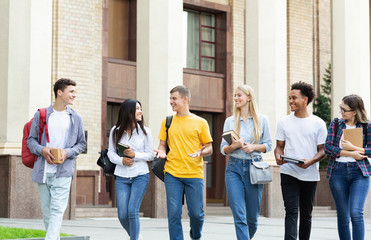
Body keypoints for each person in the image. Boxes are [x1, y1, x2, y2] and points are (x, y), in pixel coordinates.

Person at [27, 78, 86, 240]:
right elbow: (31, 141)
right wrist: (43, 149)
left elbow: (81, 144)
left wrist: (67, 152)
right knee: (48, 213)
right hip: (43, 170)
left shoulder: (75, 118)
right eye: (71, 91)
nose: (74, 95)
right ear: (60, 93)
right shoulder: (42, 115)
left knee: (57, 210)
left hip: (64, 171)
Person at [155, 85, 213, 240]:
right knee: (173, 214)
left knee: (197, 214)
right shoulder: (167, 121)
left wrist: (201, 151)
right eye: (170, 99)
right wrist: (161, 151)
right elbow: (162, 144)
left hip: (194, 174)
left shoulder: (200, 122)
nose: (171, 102)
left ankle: (195, 235)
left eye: (174, 98)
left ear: (185, 99)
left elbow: (209, 147)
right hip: (172, 174)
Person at [274, 81, 327, 240]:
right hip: (289, 172)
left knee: (306, 214)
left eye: (294, 98)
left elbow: (323, 149)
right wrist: (278, 156)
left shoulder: (318, 123)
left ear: (305, 99)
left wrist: (310, 161)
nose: (290, 101)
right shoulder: (283, 122)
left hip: (310, 174)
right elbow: (279, 146)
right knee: (291, 211)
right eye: (289, 98)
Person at [220, 85, 272, 240]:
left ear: (249, 97)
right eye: (235, 95)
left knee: (253, 218)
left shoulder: (262, 120)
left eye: (239, 95)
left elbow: (268, 145)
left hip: (254, 167)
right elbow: (223, 149)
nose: (236, 98)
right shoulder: (230, 121)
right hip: (233, 168)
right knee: (239, 214)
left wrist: (253, 147)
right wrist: (234, 146)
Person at [324, 94, 371, 240]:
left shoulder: (366, 126)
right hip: (338, 172)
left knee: (356, 212)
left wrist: (356, 149)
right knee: (343, 215)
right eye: (341, 108)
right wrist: (349, 153)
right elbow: (327, 147)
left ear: (354, 111)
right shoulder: (336, 124)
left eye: (344, 109)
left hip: (359, 173)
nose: (341, 112)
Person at [107, 99, 153, 240]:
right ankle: (136, 235)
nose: (140, 111)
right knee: (122, 215)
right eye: (137, 108)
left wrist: (135, 155)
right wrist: (121, 160)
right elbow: (111, 153)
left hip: (140, 175)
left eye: (141, 108)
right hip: (121, 176)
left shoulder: (146, 132)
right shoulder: (115, 131)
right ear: (128, 112)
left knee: (132, 211)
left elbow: (150, 154)